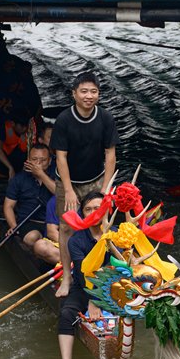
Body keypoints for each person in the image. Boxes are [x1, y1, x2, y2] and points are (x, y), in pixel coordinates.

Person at [50, 73, 117, 298]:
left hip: (96, 179)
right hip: (68, 181)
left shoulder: (106, 118)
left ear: (98, 94)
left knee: (99, 226)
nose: (89, 96)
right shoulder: (64, 120)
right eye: (84, 91)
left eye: (94, 92)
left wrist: (106, 188)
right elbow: (61, 157)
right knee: (67, 227)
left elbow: (110, 155)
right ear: (74, 94)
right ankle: (67, 277)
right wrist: (68, 189)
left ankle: (100, 274)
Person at [57, 190, 106, 359]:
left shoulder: (120, 234)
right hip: (86, 286)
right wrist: (93, 302)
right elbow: (85, 272)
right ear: (82, 214)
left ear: (106, 210)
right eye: (88, 209)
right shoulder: (77, 240)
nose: (93, 212)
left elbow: (122, 269)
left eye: (98, 208)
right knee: (67, 313)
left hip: (113, 287)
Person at [3, 143, 59, 266]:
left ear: (50, 161)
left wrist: (41, 174)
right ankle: (41, 259)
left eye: (43, 160)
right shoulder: (18, 179)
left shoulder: (56, 176)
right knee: (32, 237)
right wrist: (14, 227)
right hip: (28, 222)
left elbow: (60, 194)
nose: (38, 163)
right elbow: (8, 206)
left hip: (53, 224)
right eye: (34, 159)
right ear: (28, 160)